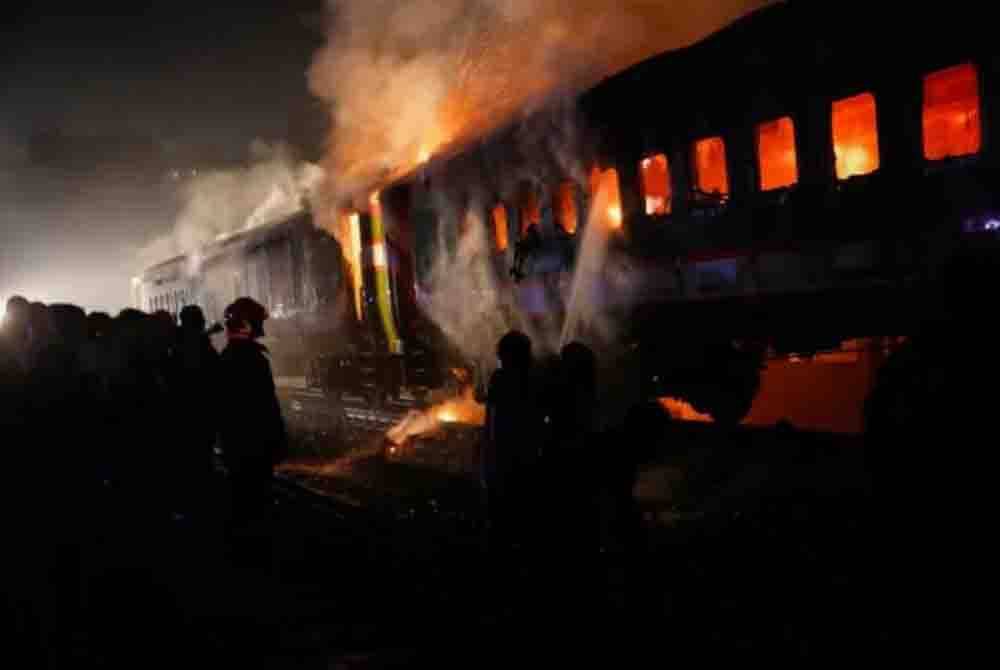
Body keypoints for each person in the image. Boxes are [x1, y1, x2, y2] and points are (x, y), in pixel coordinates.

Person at [218, 298, 287, 524]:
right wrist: (278, 438)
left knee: (241, 500)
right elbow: (266, 404)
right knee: (257, 501)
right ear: (247, 324)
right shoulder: (253, 359)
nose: (262, 327)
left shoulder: (225, 357)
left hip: (234, 444)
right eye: (258, 322)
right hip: (255, 444)